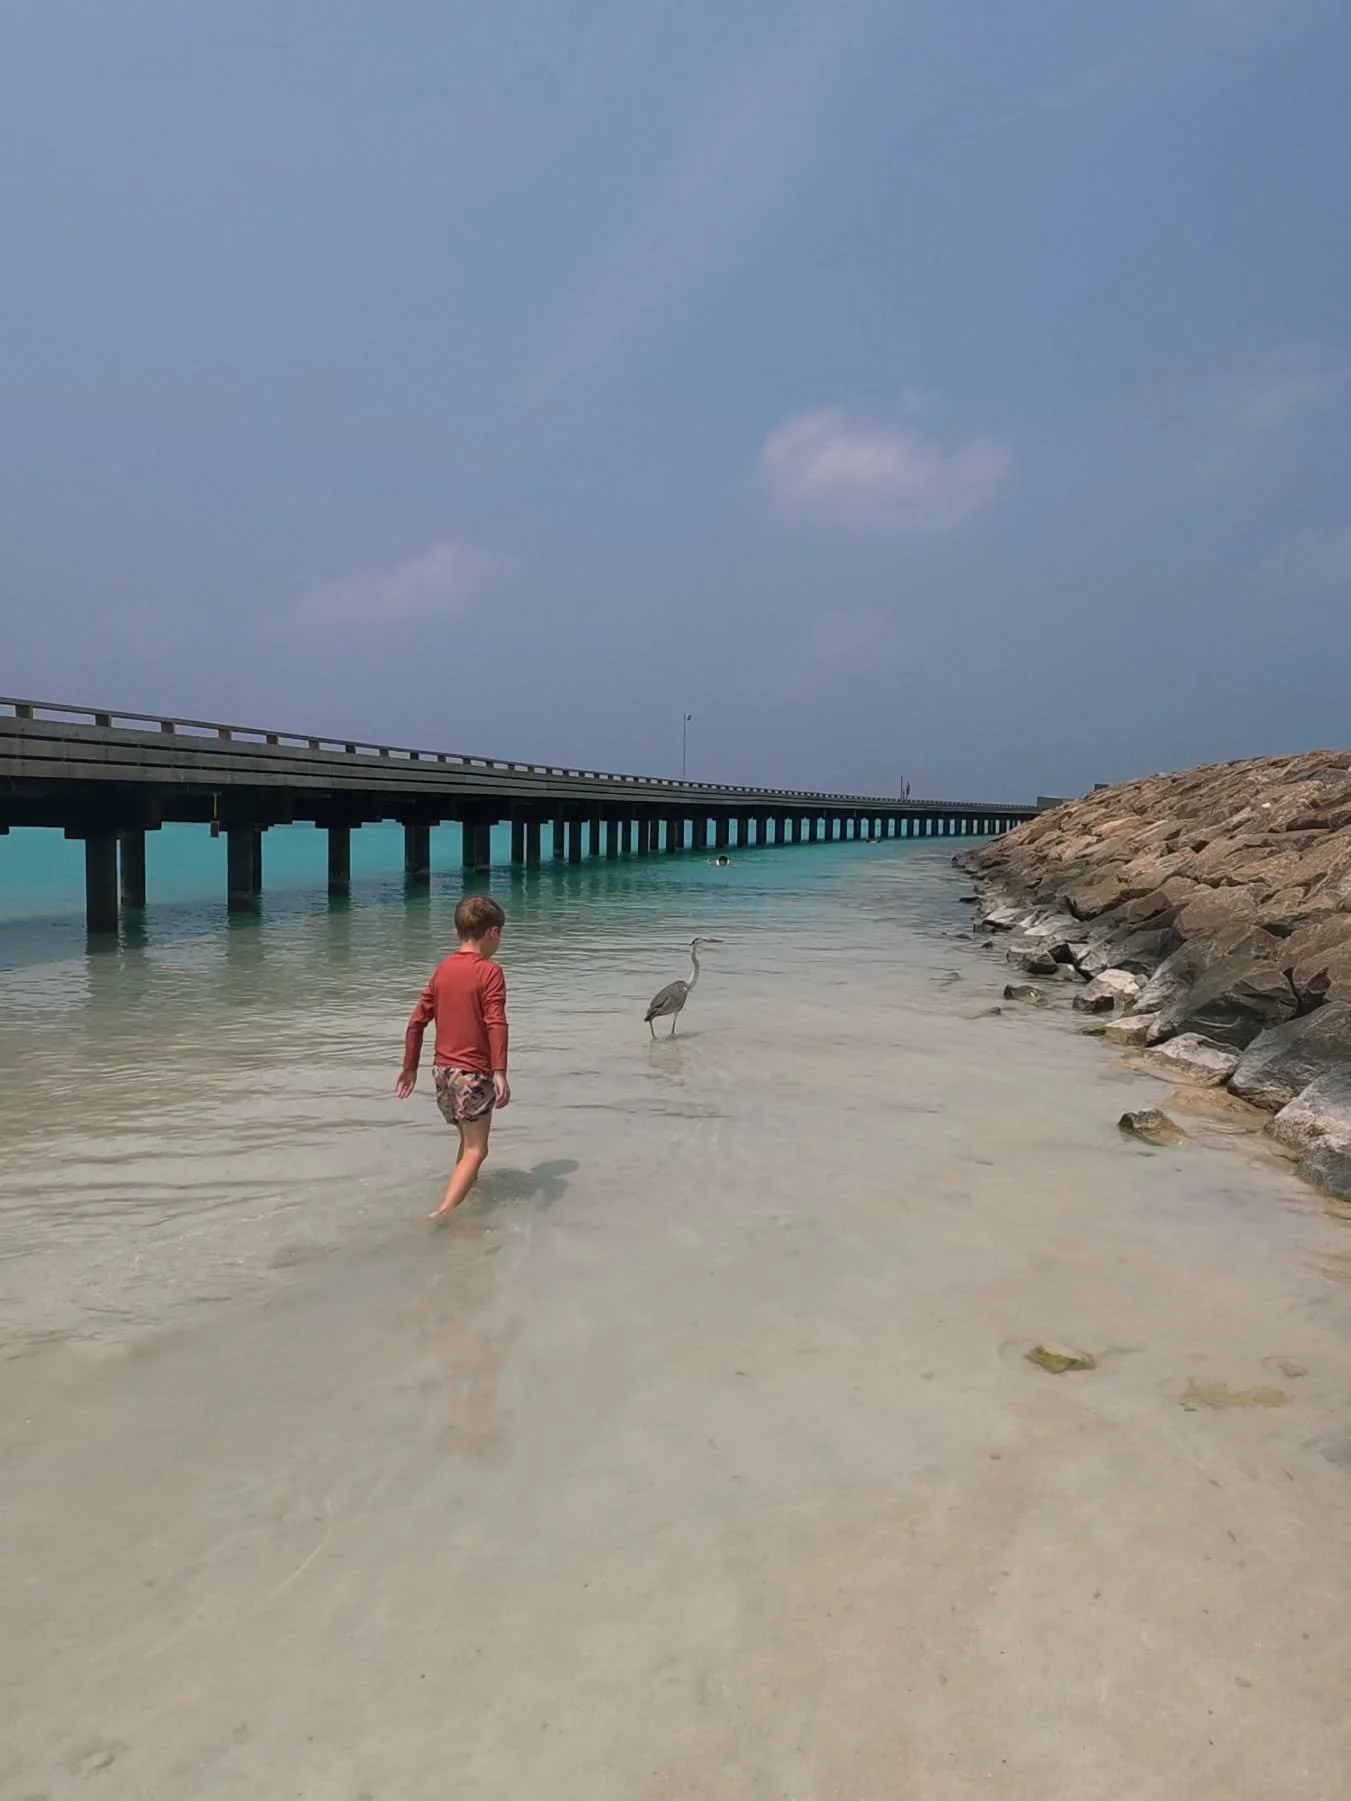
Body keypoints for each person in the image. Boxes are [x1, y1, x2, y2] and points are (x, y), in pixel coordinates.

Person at [396, 894, 511, 1221]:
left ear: (458, 932)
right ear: (492, 933)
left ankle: (467, 1201)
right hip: (472, 1073)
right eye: (500, 935)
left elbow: (416, 1021)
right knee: (478, 1148)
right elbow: (496, 1021)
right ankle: (444, 1215)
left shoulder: (442, 970)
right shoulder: (490, 972)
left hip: (442, 1072)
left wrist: (409, 1069)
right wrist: (500, 1071)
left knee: (466, 1143)